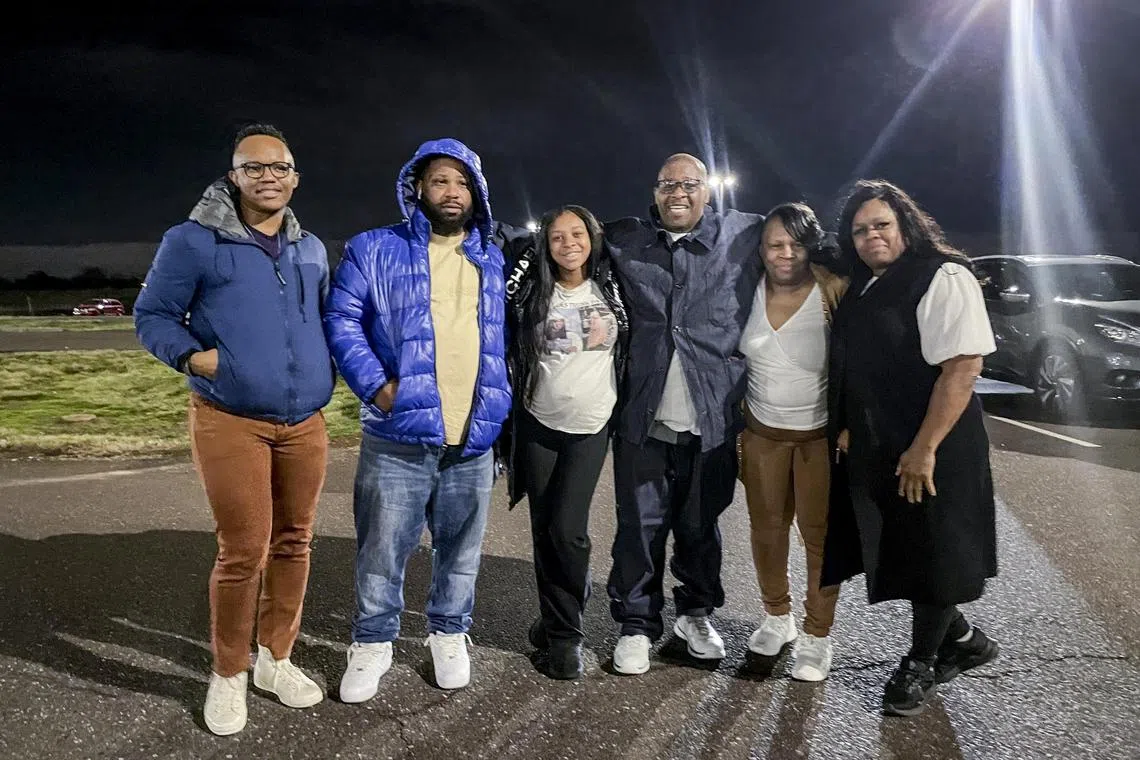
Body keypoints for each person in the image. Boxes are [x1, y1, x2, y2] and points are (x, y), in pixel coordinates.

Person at [134, 123, 334, 735]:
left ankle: (276, 659)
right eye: (255, 167)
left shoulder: (311, 249)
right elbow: (152, 315)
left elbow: (324, 319)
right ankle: (228, 671)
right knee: (244, 551)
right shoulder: (192, 241)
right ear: (234, 176)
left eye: (279, 167)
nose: (268, 177)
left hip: (305, 422)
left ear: (295, 178)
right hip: (230, 419)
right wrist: (196, 359)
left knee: (294, 542)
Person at [324, 138, 510, 701]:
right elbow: (342, 319)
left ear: (477, 193)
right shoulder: (374, 248)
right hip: (398, 434)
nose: (452, 192)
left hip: (472, 435)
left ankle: (449, 632)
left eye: (462, 182)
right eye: (440, 181)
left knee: (461, 551)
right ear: (418, 188)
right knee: (383, 550)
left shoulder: (492, 257)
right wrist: (378, 388)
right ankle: (373, 640)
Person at [822, 179, 1001, 716]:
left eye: (881, 224)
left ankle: (922, 662)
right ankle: (964, 639)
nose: (871, 236)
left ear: (906, 224)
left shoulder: (943, 276)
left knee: (936, 552)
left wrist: (925, 448)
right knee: (909, 549)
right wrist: (852, 424)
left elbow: (962, 369)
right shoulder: (867, 285)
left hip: (938, 445)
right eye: (860, 230)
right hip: (886, 441)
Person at [603, 153, 765, 674]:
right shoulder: (626, 240)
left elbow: (806, 243)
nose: (678, 192)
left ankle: (695, 615)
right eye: (667, 184)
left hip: (712, 417)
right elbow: (566, 235)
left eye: (689, 183)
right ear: (654, 192)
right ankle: (636, 624)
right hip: (643, 416)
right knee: (639, 527)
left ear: (708, 191)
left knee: (700, 525)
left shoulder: (744, 236)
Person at [503, 205, 628, 680]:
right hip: (538, 422)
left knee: (568, 531)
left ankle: (567, 625)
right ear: (545, 244)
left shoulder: (612, 285)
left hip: (591, 426)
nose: (568, 243)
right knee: (544, 531)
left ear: (593, 238)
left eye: (577, 234)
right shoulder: (531, 289)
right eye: (557, 236)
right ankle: (559, 626)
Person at [738, 202, 848, 681]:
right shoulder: (745, 287)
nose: (785, 253)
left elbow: (860, 357)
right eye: (775, 244)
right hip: (761, 433)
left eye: (795, 244)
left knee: (819, 538)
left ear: (811, 246)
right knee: (766, 532)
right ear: (761, 249)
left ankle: (817, 635)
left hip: (818, 438)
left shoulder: (833, 288)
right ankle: (776, 616)